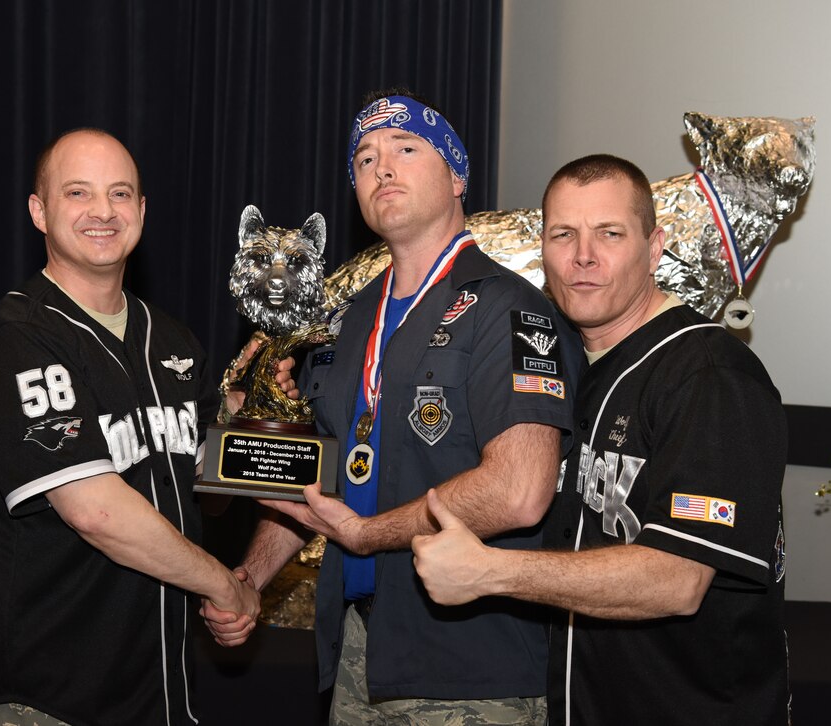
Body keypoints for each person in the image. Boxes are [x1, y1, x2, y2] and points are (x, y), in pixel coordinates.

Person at [207, 91, 577, 724]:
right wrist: (249, 578)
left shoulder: (509, 309)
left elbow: (519, 492)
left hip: (471, 668)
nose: (382, 167)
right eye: (365, 159)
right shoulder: (346, 322)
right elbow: (321, 483)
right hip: (358, 655)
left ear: (457, 176)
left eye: (406, 149)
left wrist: (366, 534)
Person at [411, 154, 790, 725]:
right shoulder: (570, 366)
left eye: (610, 233)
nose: (583, 255)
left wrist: (489, 571)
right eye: (564, 234)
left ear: (654, 248)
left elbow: (677, 578)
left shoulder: (710, 375)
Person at [0, 128, 263, 726]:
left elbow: (209, 493)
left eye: (120, 193)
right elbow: (96, 512)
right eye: (78, 192)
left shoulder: (173, 340)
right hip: (46, 704)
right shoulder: (17, 338)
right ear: (39, 211)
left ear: (142, 210)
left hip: (162, 697)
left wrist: (256, 418)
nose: (103, 210)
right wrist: (223, 585)